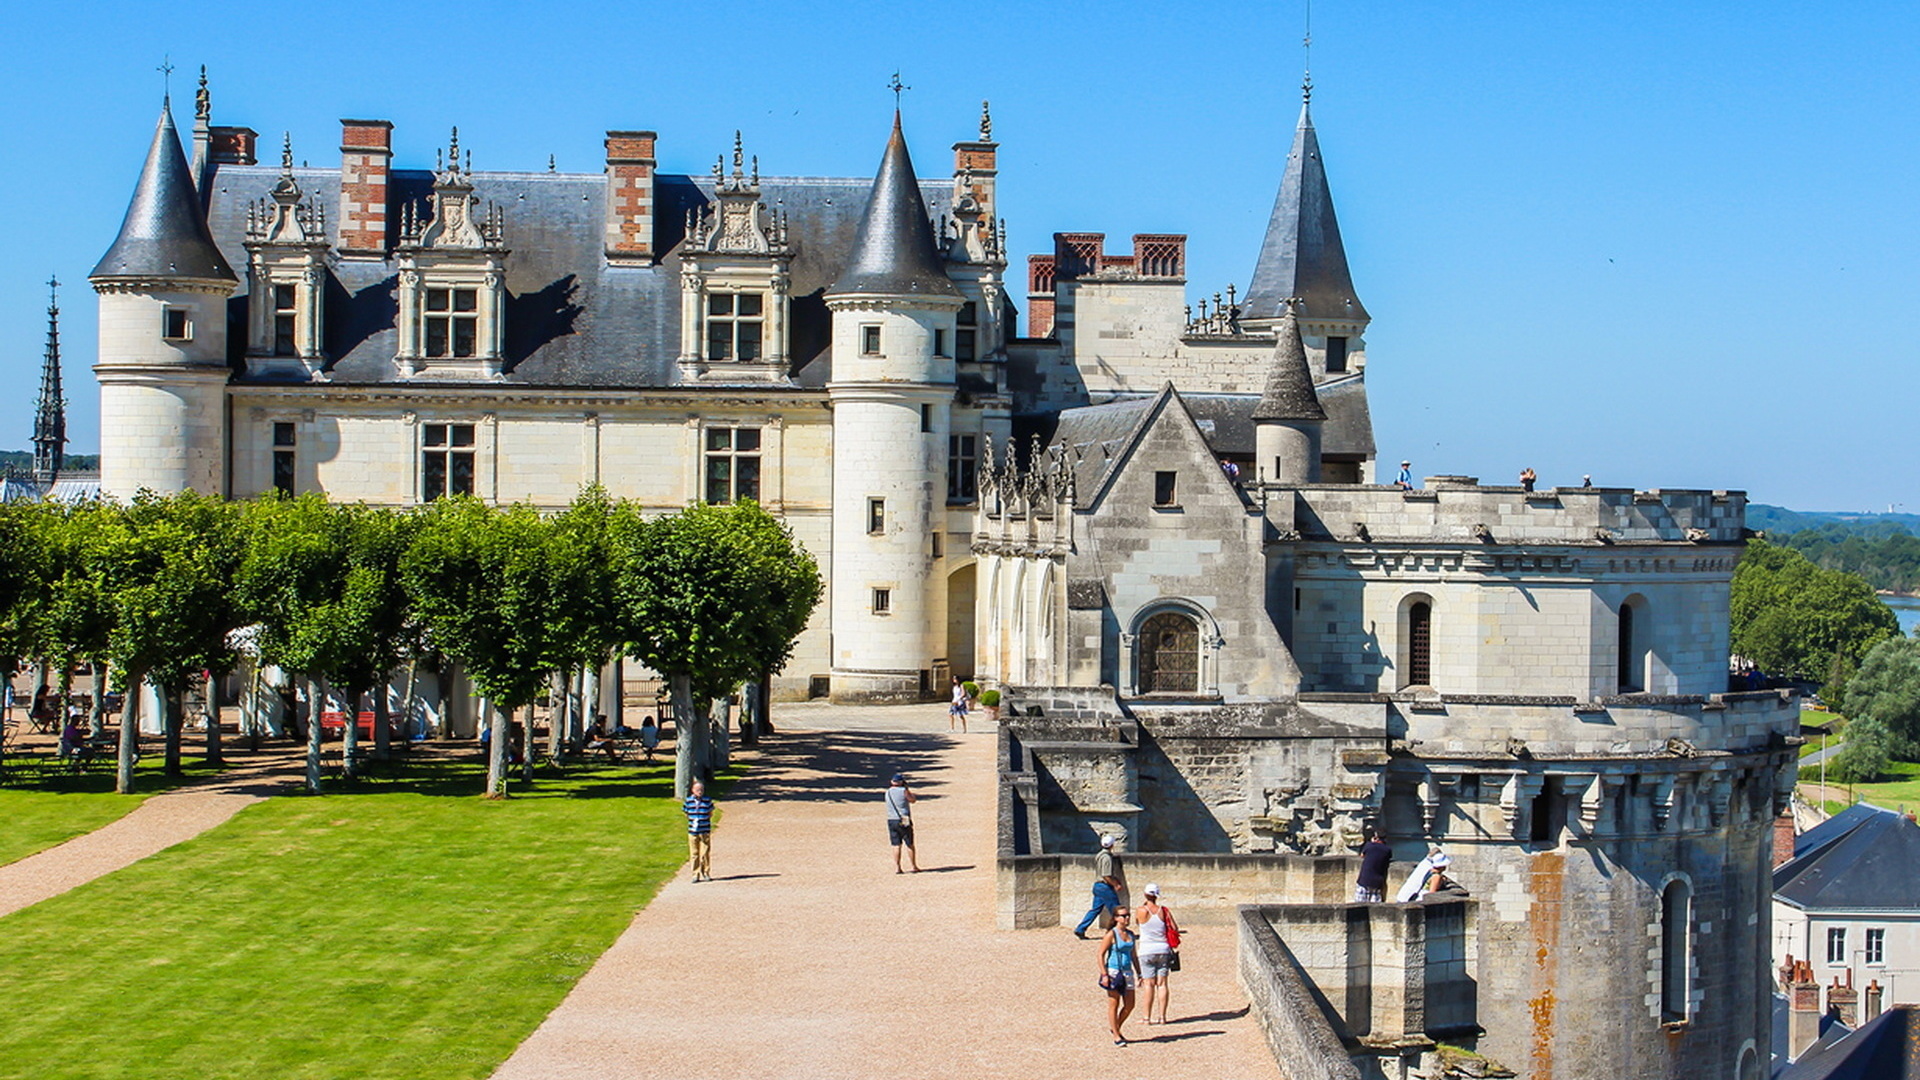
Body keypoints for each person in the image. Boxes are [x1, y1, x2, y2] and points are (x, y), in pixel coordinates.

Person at [1135, 883, 1179, 1026]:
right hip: (1163, 948)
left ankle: (1146, 1018)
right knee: (1162, 984)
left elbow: (1137, 922)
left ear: (1145, 894)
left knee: (1149, 984)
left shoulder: (1141, 910)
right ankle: (1162, 1017)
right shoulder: (1163, 911)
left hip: (1146, 949)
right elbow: (1174, 928)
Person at [1100, 906, 1141, 1045]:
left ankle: (1115, 1027)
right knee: (1114, 1003)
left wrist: (1139, 973)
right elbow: (1100, 954)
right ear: (1116, 918)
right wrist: (1104, 974)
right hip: (1113, 971)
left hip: (1127, 971)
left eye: (1128, 915)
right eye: (1123, 916)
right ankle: (1116, 1035)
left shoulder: (1131, 934)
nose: (1126, 918)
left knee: (1130, 1005)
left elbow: (1134, 955)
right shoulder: (1111, 934)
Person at [1073, 836, 1122, 938]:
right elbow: (1106, 875)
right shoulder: (1107, 857)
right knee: (1116, 910)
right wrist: (1115, 884)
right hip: (1104, 887)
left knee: (1095, 910)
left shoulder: (1099, 855)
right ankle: (1116, 931)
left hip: (1098, 886)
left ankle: (1081, 928)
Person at [885, 772, 920, 873]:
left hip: (891, 819)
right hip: (904, 818)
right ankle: (914, 866)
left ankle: (898, 867)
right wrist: (908, 790)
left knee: (896, 844)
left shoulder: (888, 792)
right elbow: (912, 800)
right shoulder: (904, 791)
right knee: (909, 843)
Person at [683, 779, 714, 882]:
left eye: (701, 789)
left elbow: (710, 813)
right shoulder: (688, 801)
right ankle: (695, 874)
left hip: (704, 830)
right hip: (693, 831)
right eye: (697, 789)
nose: (699, 791)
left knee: (705, 852)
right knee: (694, 853)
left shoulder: (707, 800)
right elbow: (686, 813)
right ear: (692, 790)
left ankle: (705, 872)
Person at [1355, 828, 1392, 902]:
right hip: (1377, 883)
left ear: (1376, 837)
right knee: (1375, 909)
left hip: (1364, 881)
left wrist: (1372, 841)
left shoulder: (1369, 845)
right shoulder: (1387, 850)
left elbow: (1362, 855)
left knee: (1359, 908)